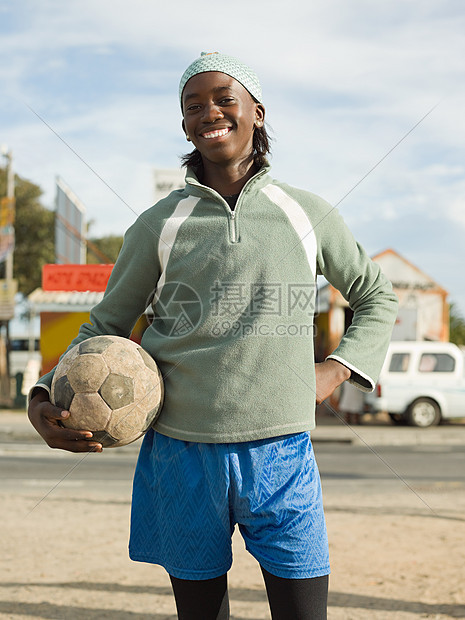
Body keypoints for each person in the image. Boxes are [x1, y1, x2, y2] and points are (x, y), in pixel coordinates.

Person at [28, 52, 398, 619]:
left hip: (282, 452)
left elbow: (378, 295)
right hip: (181, 454)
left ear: (257, 111)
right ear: (184, 127)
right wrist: (40, 397)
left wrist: (337, 370)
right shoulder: (159, 224)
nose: (210, 112)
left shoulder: (306, 214)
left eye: (224, 98)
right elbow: (104, 327)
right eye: (193, 106)